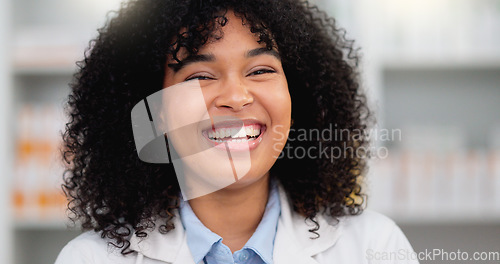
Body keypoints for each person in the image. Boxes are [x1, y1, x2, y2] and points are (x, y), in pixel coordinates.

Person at [56, 0, 418, 263]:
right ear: (157, 112)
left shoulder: (375, 247)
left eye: (260, 70)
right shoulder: (89, 258)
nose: (235, 97)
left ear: (297, 97)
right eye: (200, 77)